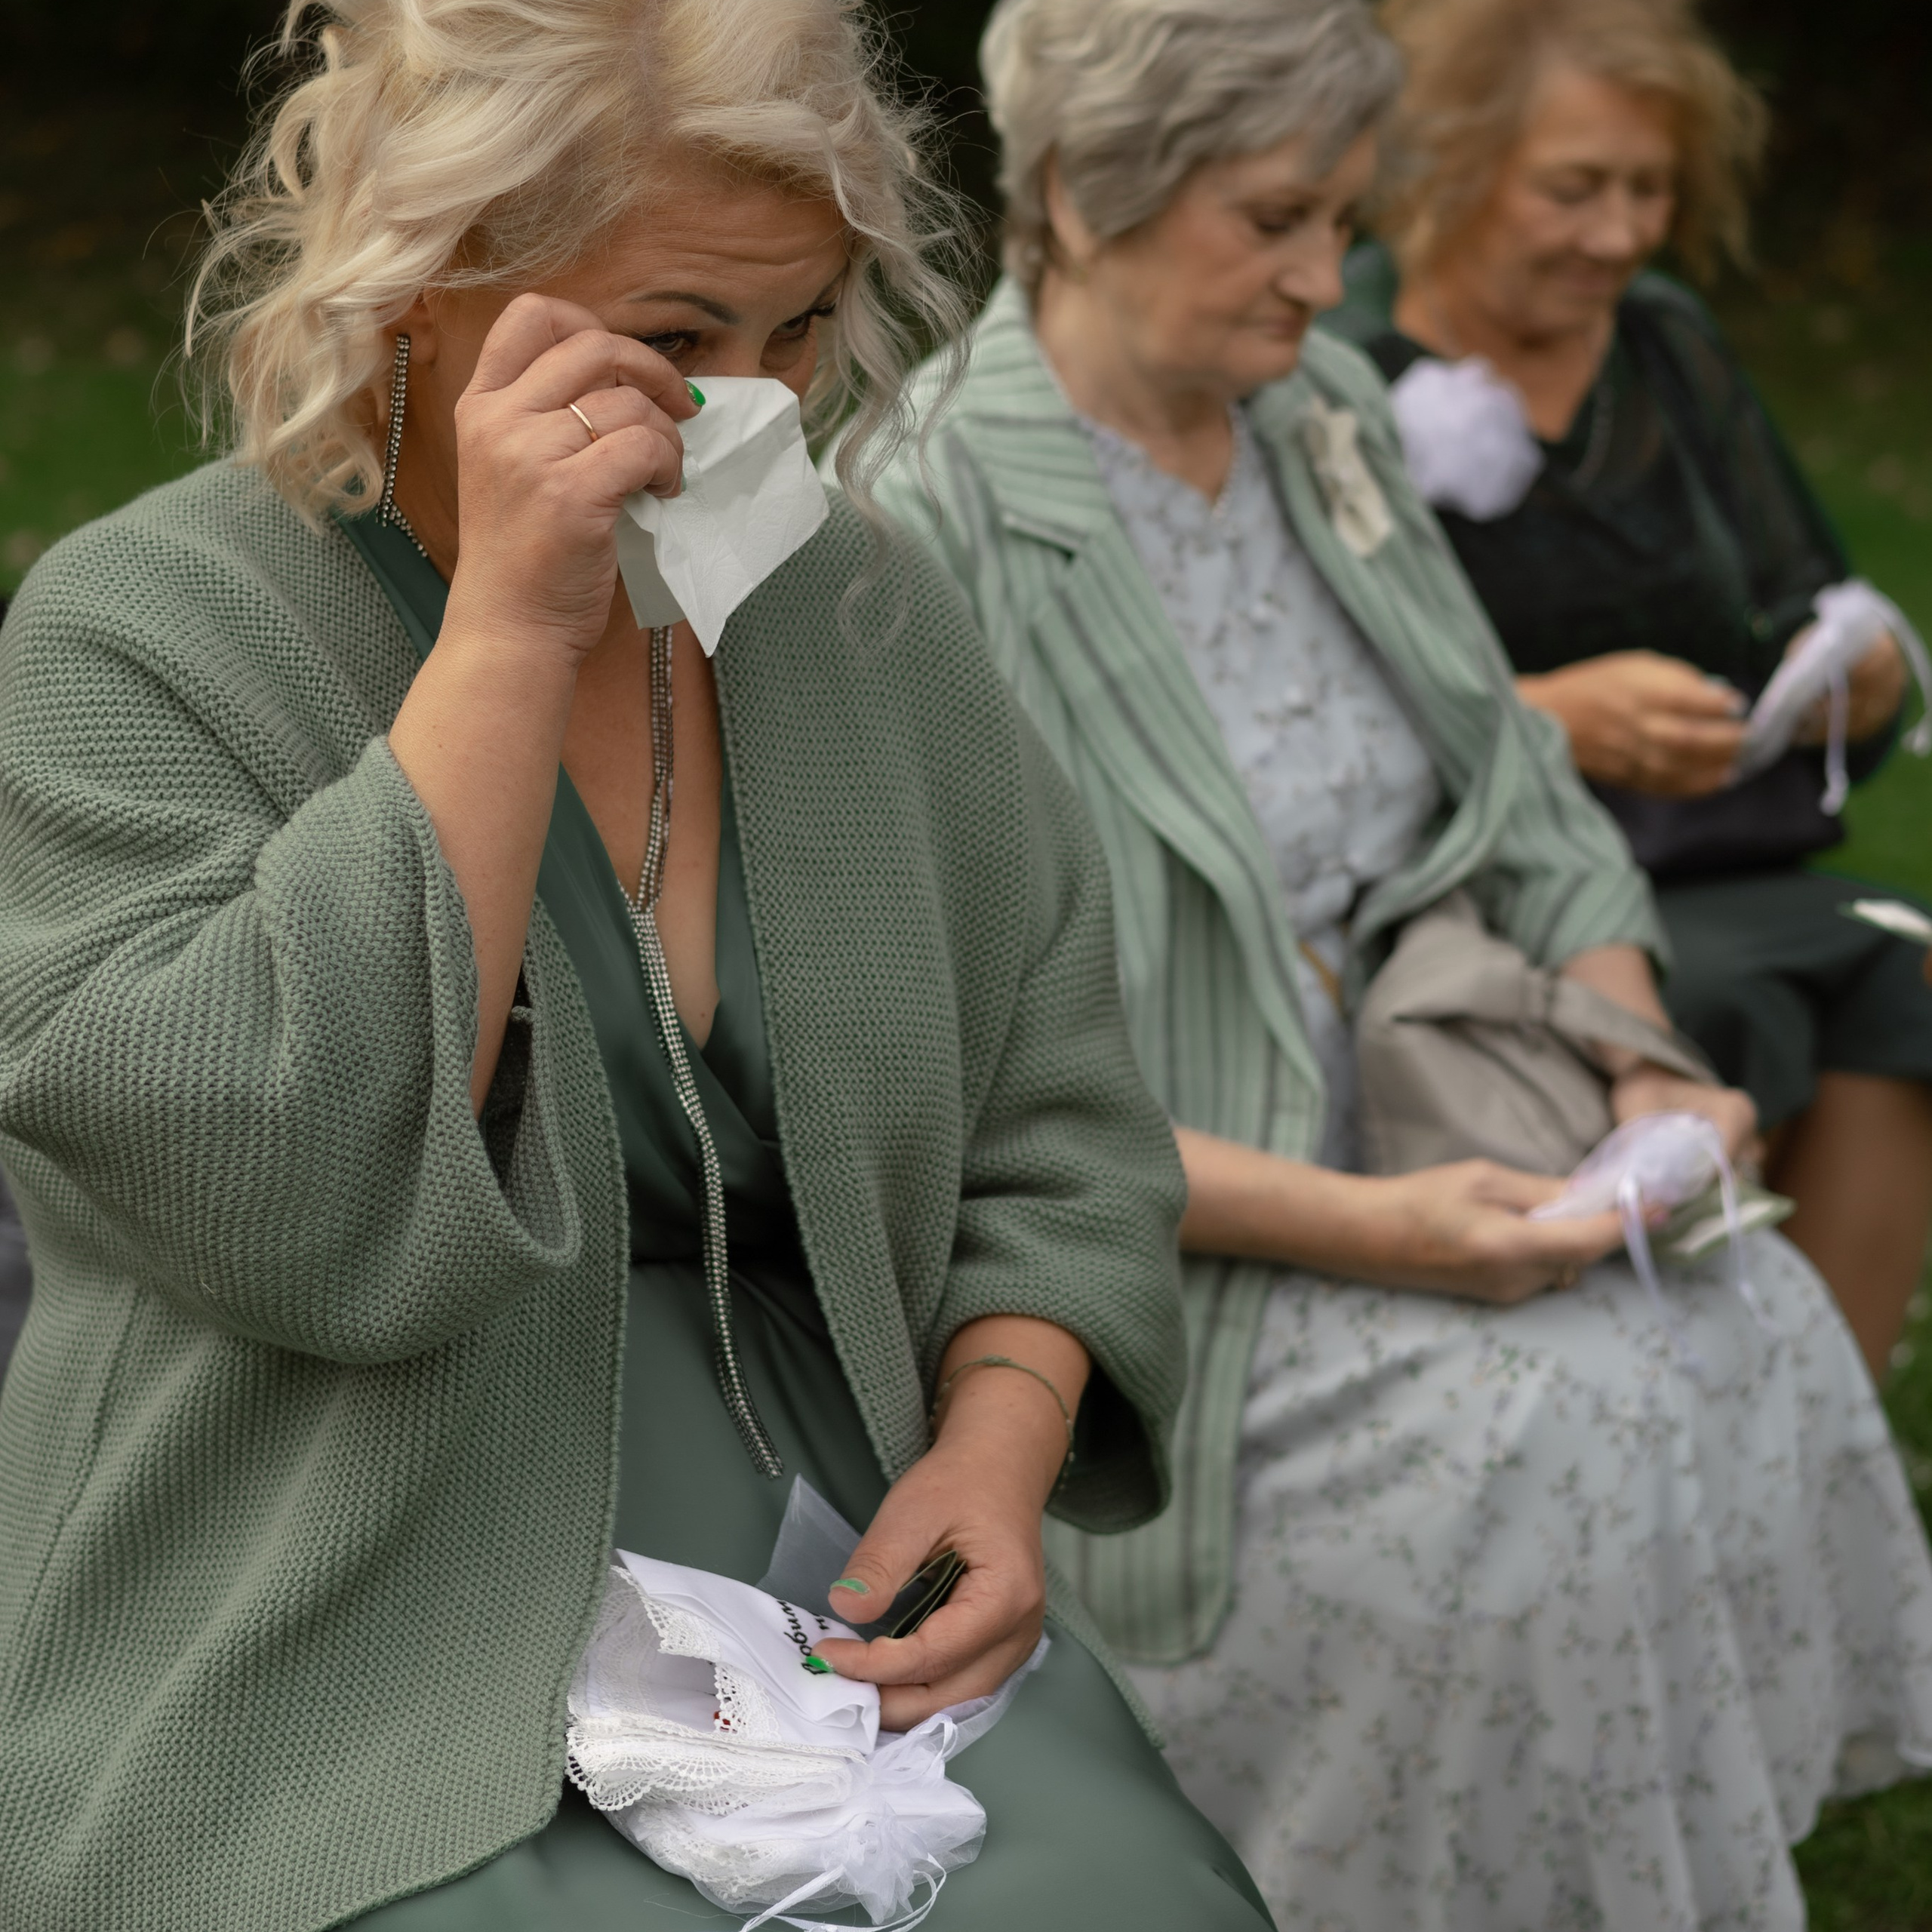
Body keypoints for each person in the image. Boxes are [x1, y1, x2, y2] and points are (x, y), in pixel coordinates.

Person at [0, 2, 1276, 1927]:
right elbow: (269, 1171)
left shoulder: (847, 622)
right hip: (321, 1576)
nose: (747, 410)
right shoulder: (139, 636)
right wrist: (513, 627)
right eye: (674, 338)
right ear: (424, 290)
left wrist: (1000, 1444)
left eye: (802, 333)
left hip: (824, 1582)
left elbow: (1061, 1121)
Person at [870, 0, 1932, 1926]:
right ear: (1080, 196)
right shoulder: (929, 512)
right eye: (1273, 220)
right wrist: (1390, 1231)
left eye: (1338, 221)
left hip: (1457, 1114)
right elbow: (947, 1092)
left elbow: (1524, 798)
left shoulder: (1319, 415)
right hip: (1160, 1285)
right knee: (1556, 1442)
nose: (1325, 281)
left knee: (1736, 1319)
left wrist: (1629, 1058)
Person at [1319, 0, 1932, 1381]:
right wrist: (1549, 715)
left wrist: (1860, 675)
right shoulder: (1338, 364)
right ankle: (1691, 1385)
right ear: (1450, 166)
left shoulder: (1664, 340)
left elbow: (1797, 599)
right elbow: (1302, 702)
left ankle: (1828, 1399)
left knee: (1908, 960)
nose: (1618, 234)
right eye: (1574, 189)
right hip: (1493, 889)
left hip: (1721, 840)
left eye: (1649, 190)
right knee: (1717, 992)